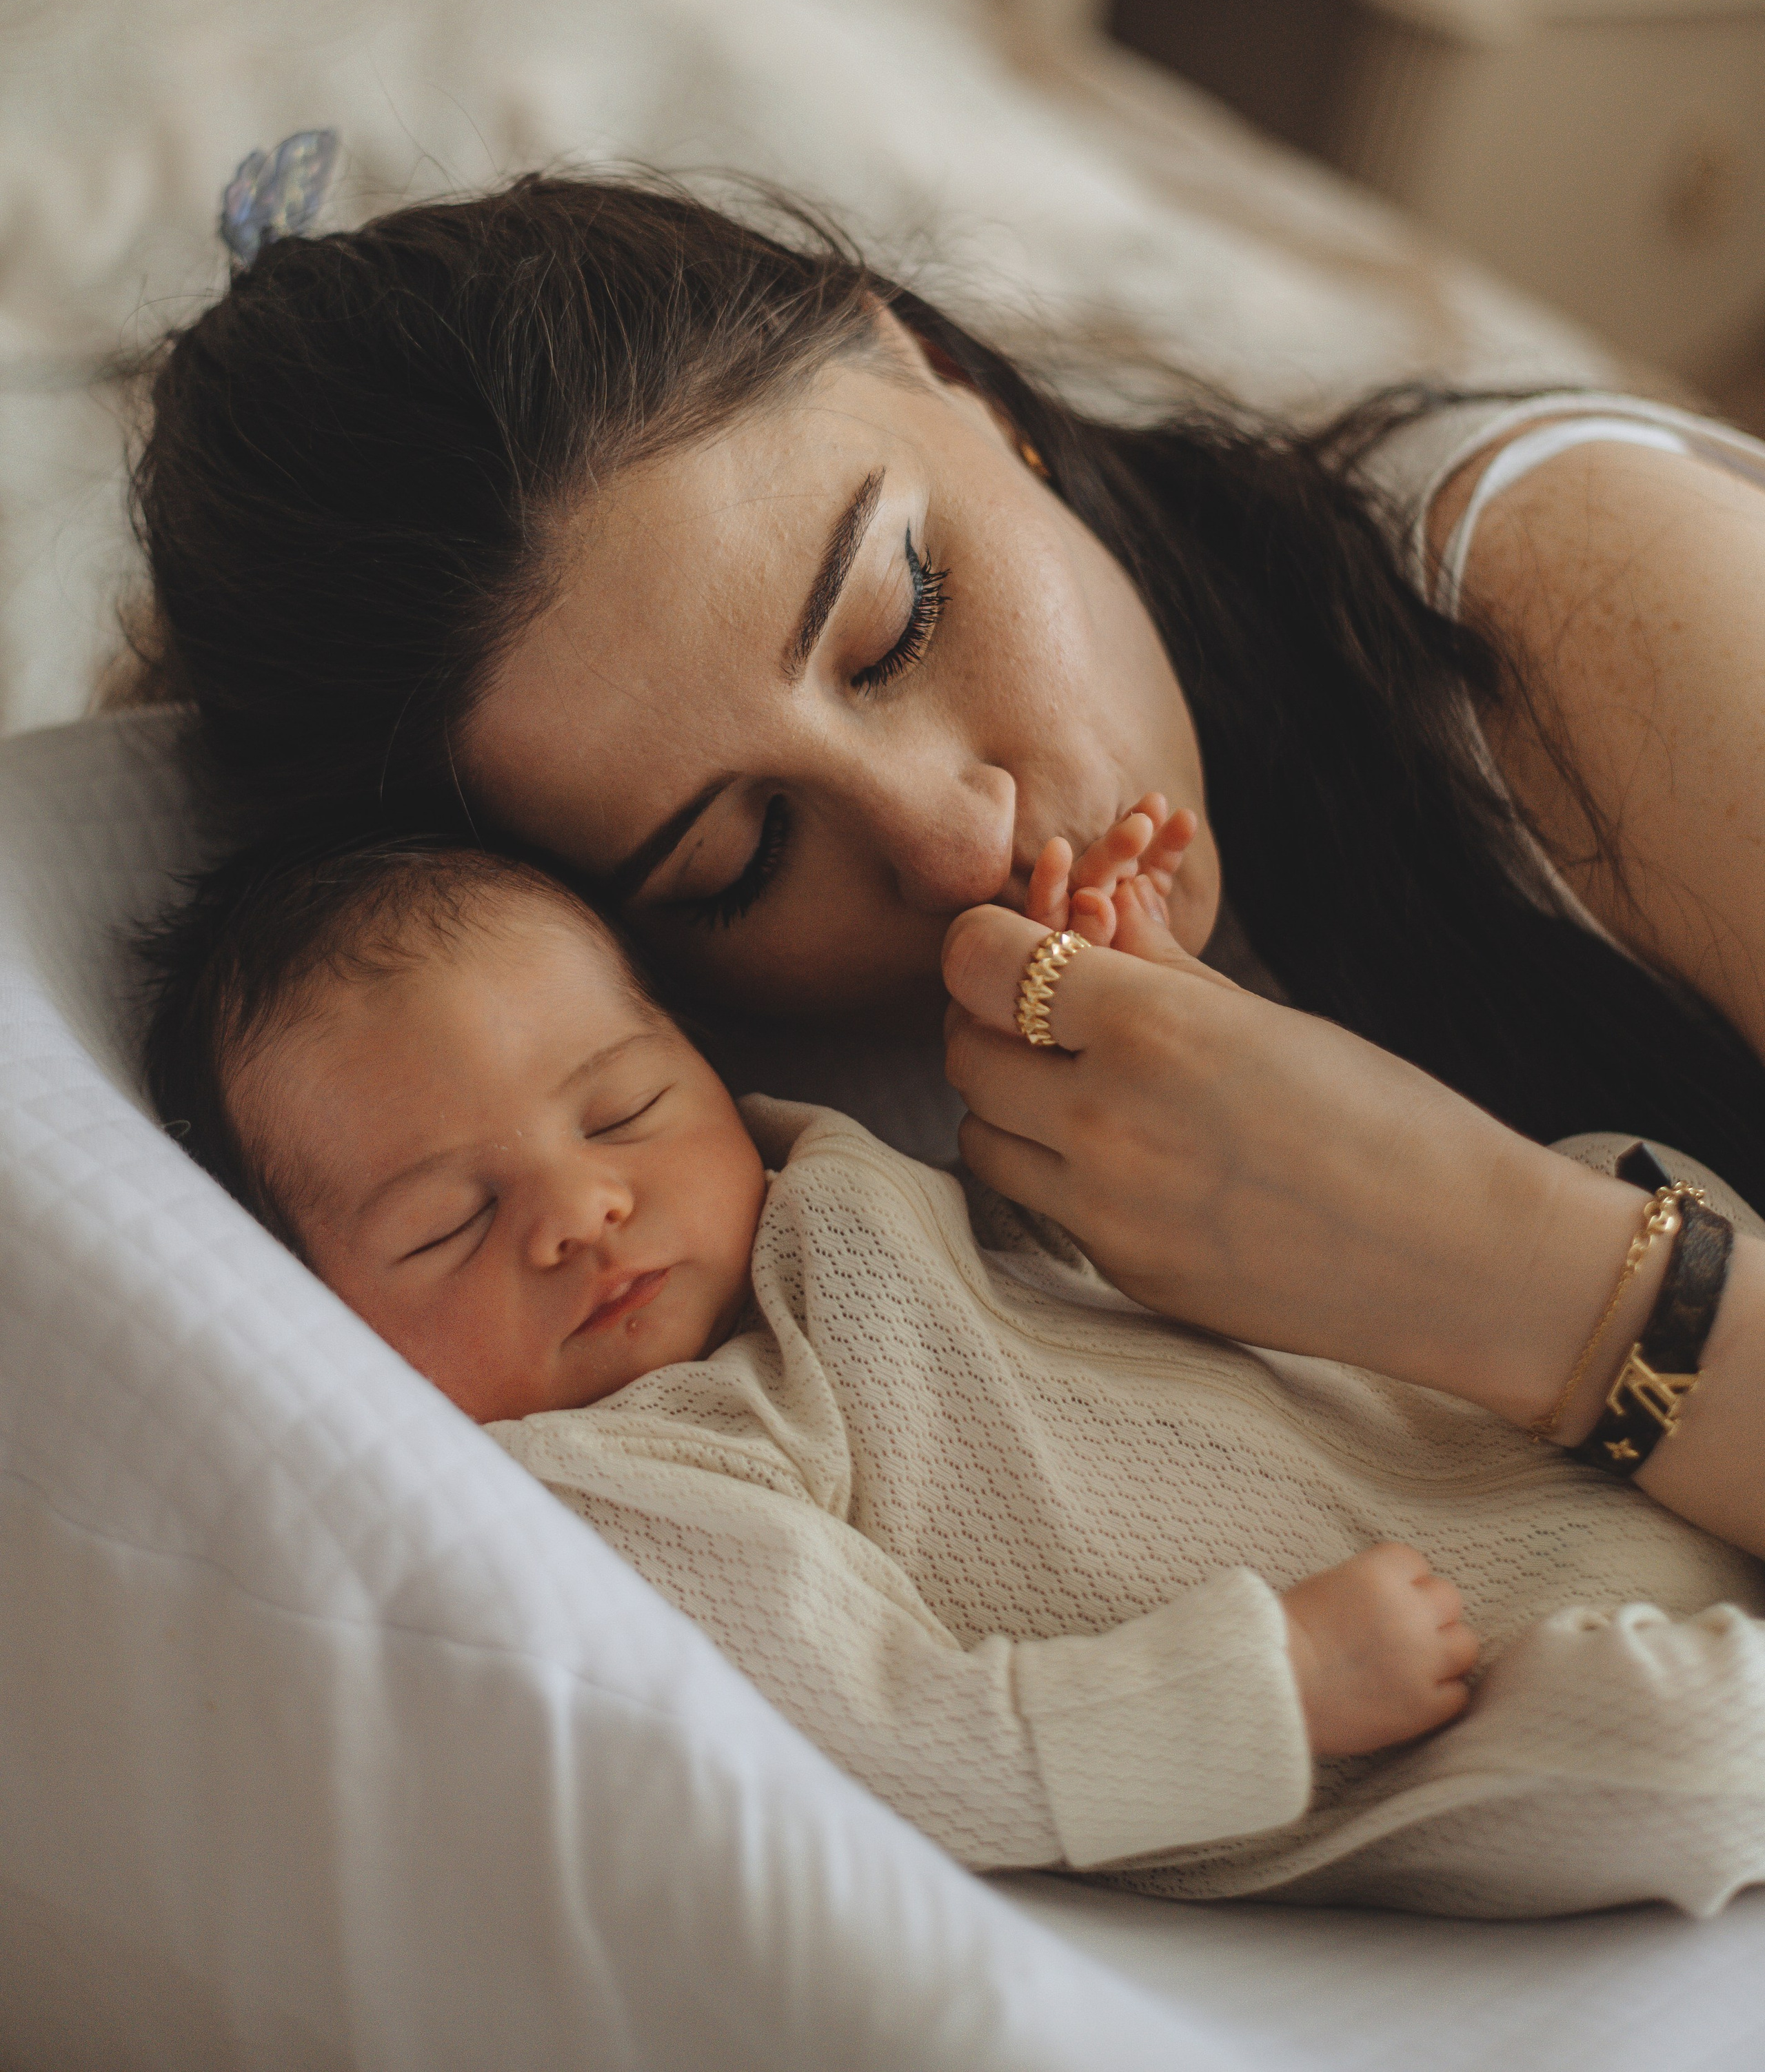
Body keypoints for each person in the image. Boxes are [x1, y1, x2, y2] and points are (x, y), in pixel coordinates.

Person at [130, 170, 1765, 1566]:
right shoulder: (754, 1154)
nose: (951, 839)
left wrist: (1515, 1274)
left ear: (944, 378)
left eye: (899, 617)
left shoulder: (1571, 603)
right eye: (739, 855)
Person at [137, 828, 1765, 1917]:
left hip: (1454, 1434)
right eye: (446, 1223)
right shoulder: (643, 1469)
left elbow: (1139, 1223)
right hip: (1392, 1694)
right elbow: (889, 1734)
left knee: (1636, 1174)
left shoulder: (828, 1185)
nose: (577, 1210)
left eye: (622, 1106)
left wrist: (1124, 997)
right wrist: (1258, 1684)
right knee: (1676, 1756)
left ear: (700, 1066)